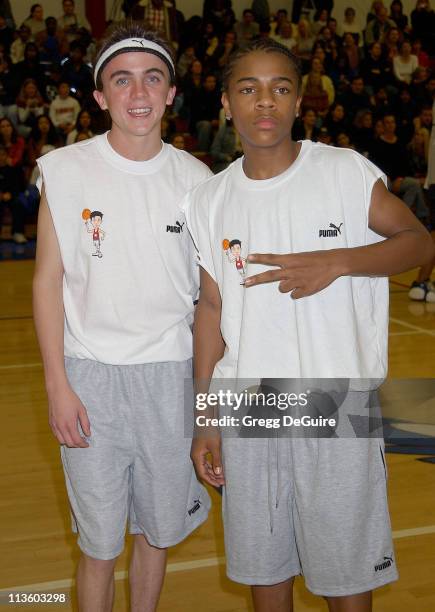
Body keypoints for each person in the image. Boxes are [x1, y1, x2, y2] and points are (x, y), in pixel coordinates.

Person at [183, 38, 434, 612]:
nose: (263, 102)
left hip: (335, 396)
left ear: (300, 102)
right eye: (248, 89)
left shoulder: (344, 172)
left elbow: (418, 241)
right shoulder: (208, 200)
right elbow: (211, 313)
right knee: (263, 569)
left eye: (280, 88)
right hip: (248, 401)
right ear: (225, 103)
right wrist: (206, 420)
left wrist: (339, 260)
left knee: (345, 575)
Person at [33, 22, 211, 611]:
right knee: (100, 544)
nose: (139, 92)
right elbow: (47, 281)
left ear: (170, 93)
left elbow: (214, 304)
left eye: (152, 78)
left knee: (155, 534)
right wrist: (58, 385)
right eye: (122, 79)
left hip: (170, 377)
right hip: (90, 378)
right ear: (102, 96)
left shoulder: (199, 182)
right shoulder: (63, 170)